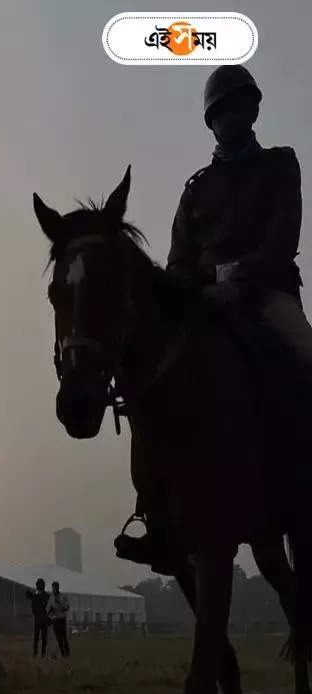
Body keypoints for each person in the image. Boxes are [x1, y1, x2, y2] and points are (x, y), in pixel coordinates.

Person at [116, 64, 311, 572]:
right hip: (205, 303)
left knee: (306, 357)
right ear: (212, 120)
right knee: (152, 380)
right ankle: (155, 511)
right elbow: (179, 258)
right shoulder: (195, 189)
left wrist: (239, 282)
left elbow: (283, 239)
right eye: (222, 110)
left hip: (267, 296)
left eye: (240, 106)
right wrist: (192, 293)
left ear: (254, 110)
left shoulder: (280, 166)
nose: (232, 117)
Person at [27, 578, 50, 657]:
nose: (39, 586)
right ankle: (36, 653)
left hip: (42, 618)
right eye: (39, 585)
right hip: (39, 618)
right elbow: (33, 607)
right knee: (37, 637)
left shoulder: (45, 596)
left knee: (43, 637)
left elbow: (48, 607)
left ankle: (42, 653)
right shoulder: (36, 595)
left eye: (40, 585)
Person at [49, 581, 71, 658]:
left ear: (57, 588)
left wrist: (60, 604)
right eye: (53, 588)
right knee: (58, 638)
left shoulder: (63, 597)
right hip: (55, 620)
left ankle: (67, 653)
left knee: (63, 637)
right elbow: (49, 608)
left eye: (55, 587)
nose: (54, 589)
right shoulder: (51, 598)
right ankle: (62, 654)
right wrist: (50, 612)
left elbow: (67, 607)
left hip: (61, 619)